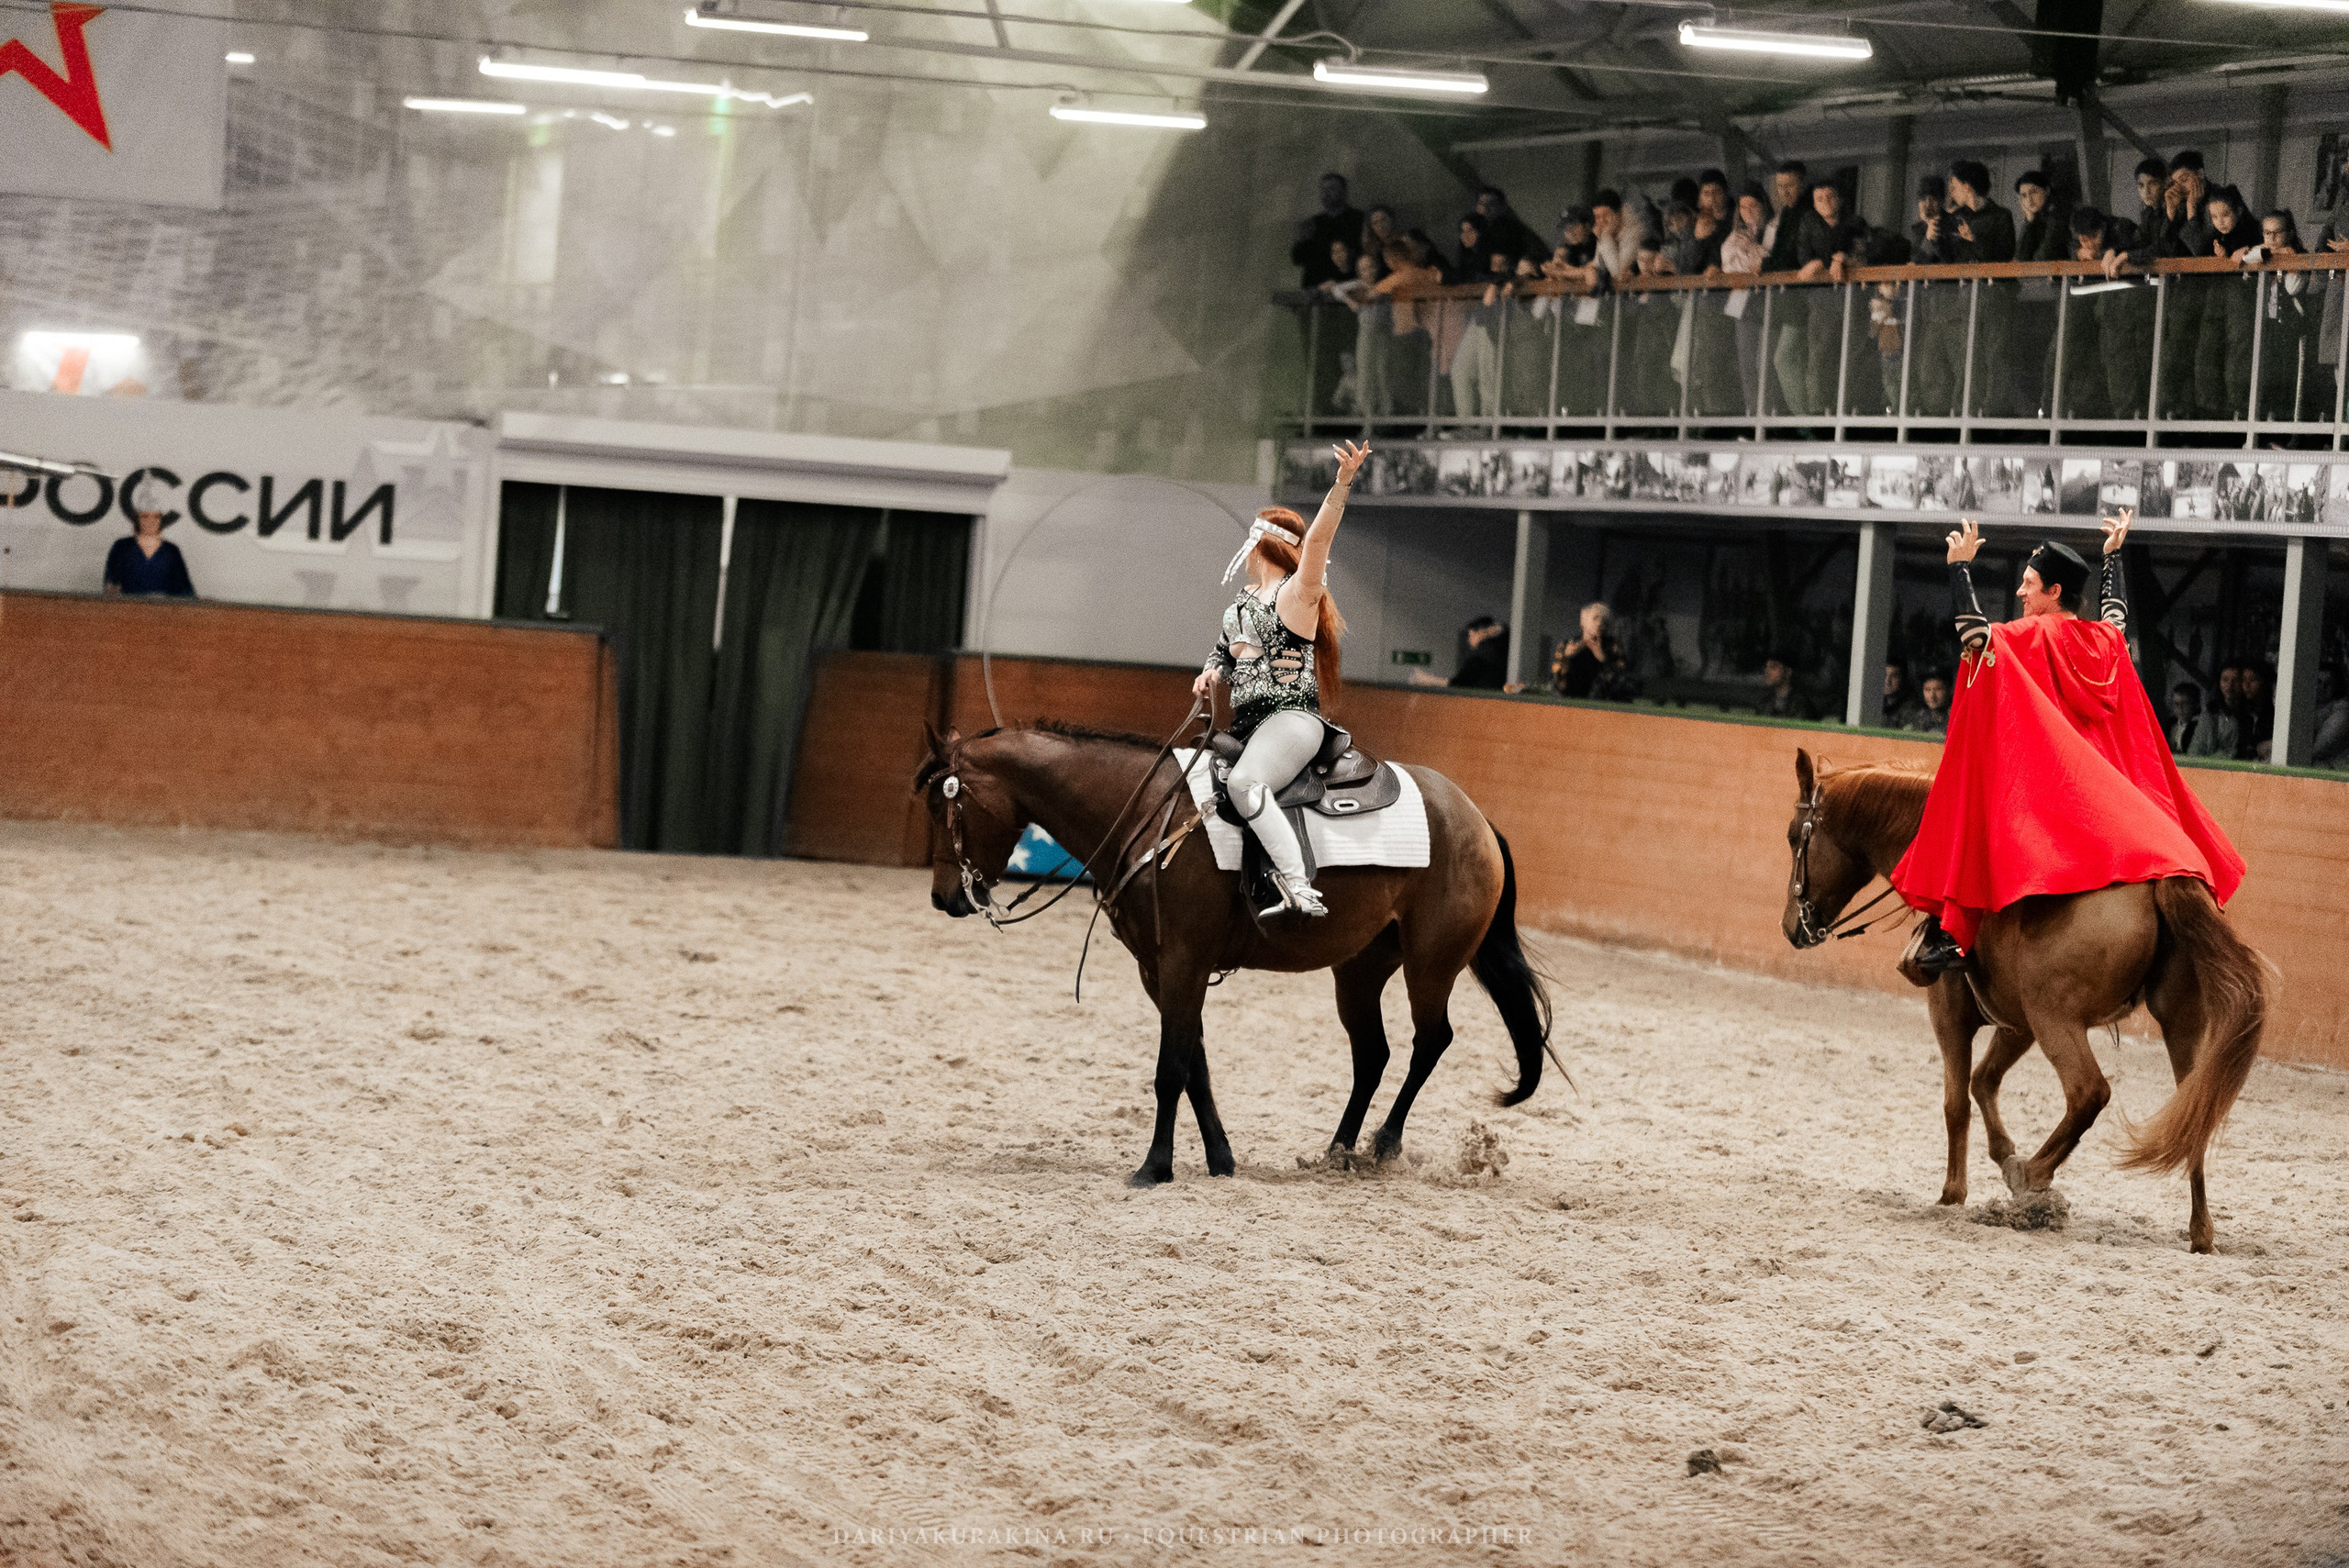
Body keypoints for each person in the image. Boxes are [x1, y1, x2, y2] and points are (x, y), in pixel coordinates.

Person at [1890, 509, 2246, 980]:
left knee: (1975, 813)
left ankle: (1955, 935)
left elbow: (1974, 635)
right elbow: (2116, 615)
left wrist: (1959, 569)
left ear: (2054, 592)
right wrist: (2113, 558)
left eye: (2028, 584)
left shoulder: (2031, 634)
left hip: (2054, 794)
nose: (2020, 592)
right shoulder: (2104, 642)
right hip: (2105, 796)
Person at [1194, 440, 1366, 917]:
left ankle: (1297, 884)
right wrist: (1212, 670)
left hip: (1290, 719)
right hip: (1247, 722)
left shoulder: (1298, 594)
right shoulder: (1241, 603)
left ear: (1262, 543)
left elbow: (1318, 543)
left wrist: (1341, 485)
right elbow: (1227, 652)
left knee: (1247, 784)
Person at [104, 479, 196, 598]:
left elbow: (185, 591)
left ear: (161, 520)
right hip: (128, 610)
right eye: (145, 517)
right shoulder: (122, 547)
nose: (150, 521)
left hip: (164, 613)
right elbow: (111, 586)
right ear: (137, 520)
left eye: (156, 517)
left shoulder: (171, 551)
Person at [1291, 172, 1364, 289]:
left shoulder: (1359, 219)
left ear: (1344, 192)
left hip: (1351, 286)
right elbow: (1298, 259)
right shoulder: (1313, 223)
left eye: (1332, 188)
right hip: (1317, 288)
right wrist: (1302, 239)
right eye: (1323, 189)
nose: (1326, 193)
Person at [1550, 601, 1631, 699]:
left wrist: (1603, 660)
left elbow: (1622, 684)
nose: (1600, 624)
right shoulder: (1568, 645)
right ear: (1583, 618)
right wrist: (1565, 659)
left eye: (1605, 621)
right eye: (1595, 618)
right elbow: (1556, 686)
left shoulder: (1613, 647)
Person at [1414, 615, 1509, 689]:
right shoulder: (1498, 653)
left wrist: (1428, 680)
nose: (1469, 640)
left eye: (1471, 635)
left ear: (1480, 632)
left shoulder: (1480, 659)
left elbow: (1458, 683)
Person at [1756, 652, 1819, 720]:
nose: (1767, 672)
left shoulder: (1801, 704)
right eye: (1766, 667)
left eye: (1774, 667)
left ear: (1788, 672)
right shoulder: (1764, 702)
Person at [2311, 666, 2349, 768]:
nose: (2322, 687)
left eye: (2329, 683)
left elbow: (2319, 749)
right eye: (2319, 682)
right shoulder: (2306, 706)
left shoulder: (2341, 709)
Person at [2166, 682, 2206, 754]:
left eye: (2185, 704)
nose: (2180, 708)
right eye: (2176, 704)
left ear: (2196, 704)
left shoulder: (2201, 727)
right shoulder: (2168, 725)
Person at [1909, 670, 1953, 736]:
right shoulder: (1918, 717)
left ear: (1949, 690)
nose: (1932, 696)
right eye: (1927, 690)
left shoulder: (1955, 718)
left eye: (1938, 689)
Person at [1881, 662, 1923, 729]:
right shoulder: (1877, 705)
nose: (1887, 681)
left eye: (1894, 676)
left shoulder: (1913, 708)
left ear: (1903, 679)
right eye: (1885, 675)